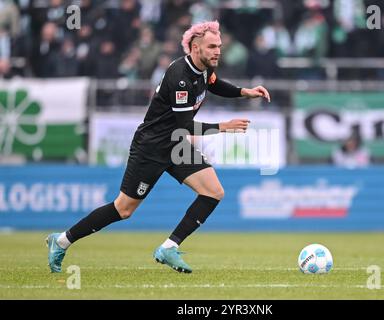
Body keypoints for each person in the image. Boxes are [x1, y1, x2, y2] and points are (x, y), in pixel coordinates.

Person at [46, 20, 271, 274]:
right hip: (151, 148)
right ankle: (62, 240)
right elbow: (185, 126)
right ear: (195, 48)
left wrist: (245, 92)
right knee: (123, 209)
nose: (218, 51)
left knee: (213, 192)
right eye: (212, 47)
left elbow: (215, 83)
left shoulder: (205, 68)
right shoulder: (180, 77)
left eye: (219, 45)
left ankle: (168, 247)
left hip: (174, 145)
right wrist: (224, 127)